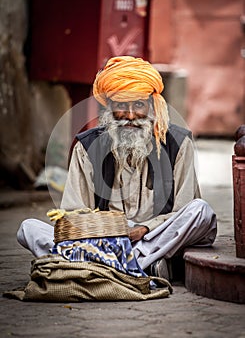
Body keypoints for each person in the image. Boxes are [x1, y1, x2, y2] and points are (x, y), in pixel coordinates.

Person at [17, 56, 217, 281]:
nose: (130, 116)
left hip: (157, 236)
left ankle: (109, 266)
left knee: (201, 212)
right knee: (29, 228)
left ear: (152, 106)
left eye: (139, 105)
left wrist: (145, 229)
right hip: (103, 240)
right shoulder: (87, 147)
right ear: (109, 108)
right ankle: (141, 266)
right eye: (122, 105)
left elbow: (184, 209)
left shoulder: (178, 144)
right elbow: (74, 213)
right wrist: (106, 233)